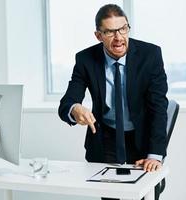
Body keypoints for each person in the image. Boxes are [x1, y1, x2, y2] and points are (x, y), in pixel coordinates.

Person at [58, 4, 168, 200]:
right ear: (98, 35)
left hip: (141, 138)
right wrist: (75, 108)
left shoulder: (150, 55)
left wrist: (155, 154)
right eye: (109, 32)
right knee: (110, 196)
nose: (119, 38)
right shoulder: (85, 59)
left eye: (123, 29)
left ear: (128, 27)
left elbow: (159, 108)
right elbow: (67, 101)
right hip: (105, 139)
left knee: (146, 194)